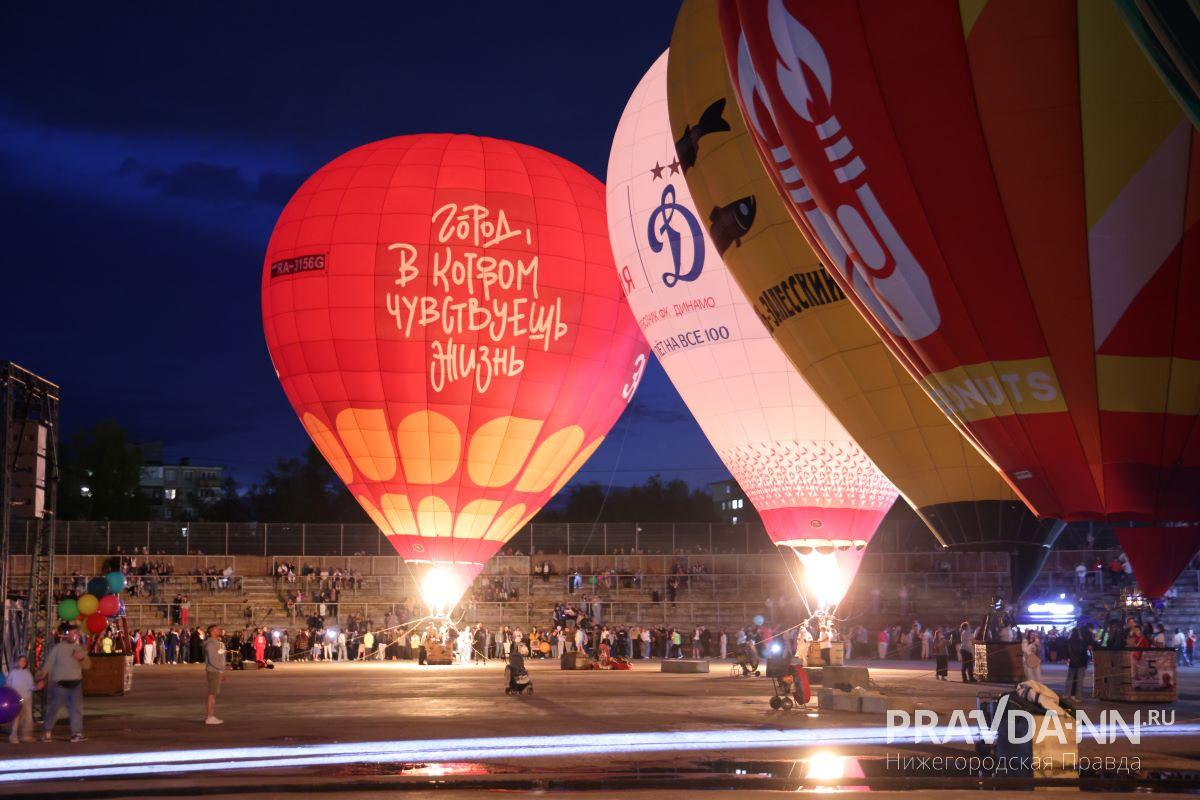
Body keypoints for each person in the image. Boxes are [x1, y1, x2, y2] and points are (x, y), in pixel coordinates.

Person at [38, 623, 91, 742]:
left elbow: (87, 666)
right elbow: (49, 664)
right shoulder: (58, 648)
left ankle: (76, 733)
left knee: (76, 710)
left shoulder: (80, 649)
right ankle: (47, 732)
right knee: (54, 709)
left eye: (75, 633)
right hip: (60, 685)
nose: (73, 636)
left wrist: (81, 658)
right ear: (66, 635)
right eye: (71, 633)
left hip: (76, 684)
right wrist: (42, 678)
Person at [5, 654, 38, 743]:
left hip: (26, 698)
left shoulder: (28, 673)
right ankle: (13, 735)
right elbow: (8, 684)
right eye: (21, 660)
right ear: (18, 662)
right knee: (16, 717)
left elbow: (31, 686)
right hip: (16, 699)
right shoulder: (13, 673)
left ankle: (26, 736)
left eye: (24, 661)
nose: (23, 662)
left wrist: (38, 687)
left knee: (28, 717)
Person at [204, 624, 227, 725]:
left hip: (216, 671)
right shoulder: (211, 644)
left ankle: (211, 716)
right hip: (213, 671)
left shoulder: (216, 643)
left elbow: (220, 657)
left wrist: (222, 672)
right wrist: (222, 668)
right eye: (217, 629)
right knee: (212, 694)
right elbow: (213, 660)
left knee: (213, 694)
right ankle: (209, 717)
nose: (220, 630)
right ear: (213, 631)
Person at [1065, 627, 1091, 701]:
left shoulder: (1069, 641)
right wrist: (1086, 664)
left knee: (1069, 679)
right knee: (1079, 681)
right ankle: (1078, 697)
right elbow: (1084, 654)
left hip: (1072, 662)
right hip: (1081, 663)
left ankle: (1066, 694)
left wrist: (1068, 658)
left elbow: (1066, 650)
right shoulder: (1082, 642)